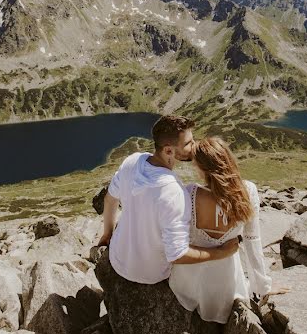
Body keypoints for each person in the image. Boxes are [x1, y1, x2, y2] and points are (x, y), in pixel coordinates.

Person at [98, 115, 239, 285]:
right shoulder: (175, 192)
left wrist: (107, 235)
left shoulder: (131, 161)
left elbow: (110, 200)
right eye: (188, 144)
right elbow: (177, 254)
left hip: (118, 259)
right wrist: (220, 253)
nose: (194, 146)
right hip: (153, 274)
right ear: (168, 150)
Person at [169, 136, 281, 323]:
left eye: (195, 165)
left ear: (202, 168)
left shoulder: (189, 193)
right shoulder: (248, 191)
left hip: (187, 282)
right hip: (226, 284)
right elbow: (253, 241)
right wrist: (263, 287)